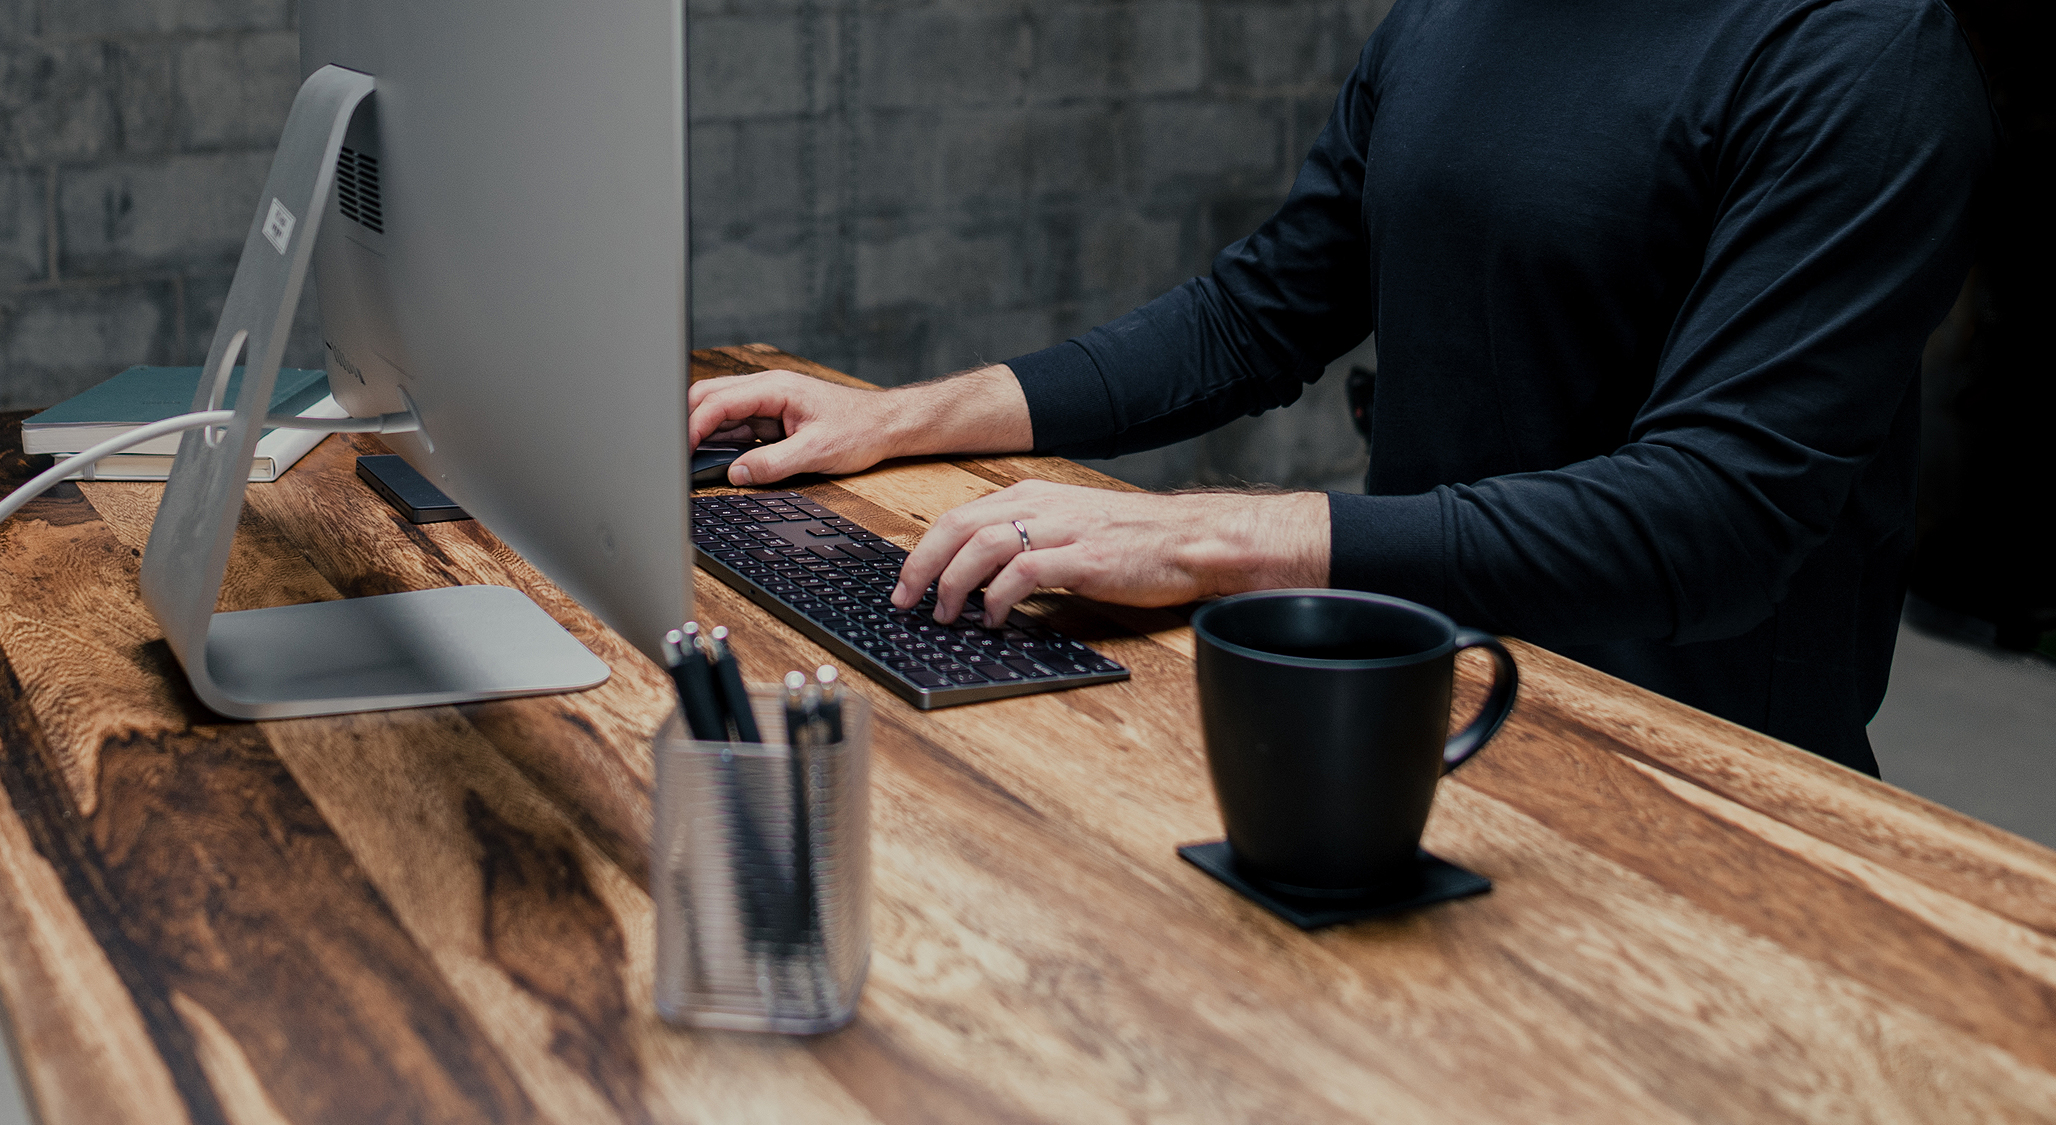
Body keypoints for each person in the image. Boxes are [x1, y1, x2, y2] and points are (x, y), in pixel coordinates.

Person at [688, 0, 1994, 774]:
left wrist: (1220, 533)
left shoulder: (1867, 54)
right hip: (1429, 697)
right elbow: (1257, 312)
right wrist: (897, 417)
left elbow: (1714, 515)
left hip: (1696, 781)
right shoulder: (1456, 14)